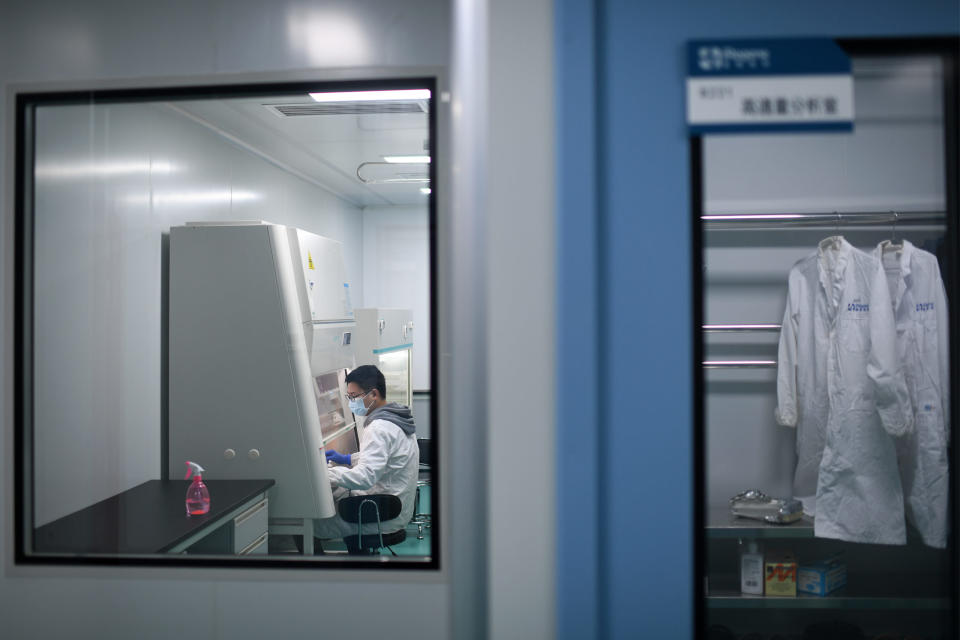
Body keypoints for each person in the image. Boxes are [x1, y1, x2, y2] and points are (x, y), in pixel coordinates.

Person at [313, 364, 419, 553]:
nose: (351, 402)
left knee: (309, 521)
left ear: (374, 394)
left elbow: (365, 478)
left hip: (380, 515)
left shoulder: (379, 427)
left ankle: (316, 575)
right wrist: (347, 459)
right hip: (394, 507)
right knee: (336, 497)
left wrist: (324, 474)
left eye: (354, 396)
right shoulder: (397, 419)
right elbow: (387, 457)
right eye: (349, 396)